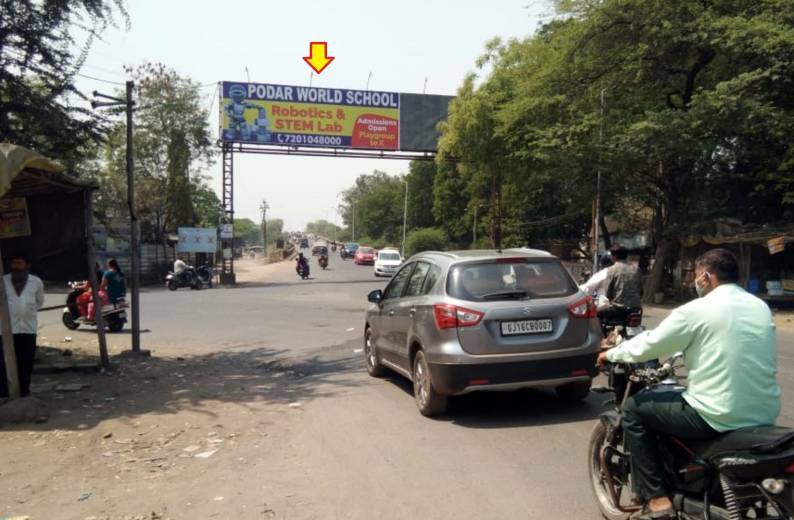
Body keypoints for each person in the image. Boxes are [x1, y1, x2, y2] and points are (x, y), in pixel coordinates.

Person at [597, 248, 780, 519]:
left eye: (695, 275)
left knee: (636, 409)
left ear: (706, 276)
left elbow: (651, 343)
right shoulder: (759, 306)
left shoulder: (698, 309)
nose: (693, 281)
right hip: (765, 411)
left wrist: (610, 353)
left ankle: (656, 497)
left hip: (717, 414)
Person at [0, 253, 45, 398]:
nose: (16, 266)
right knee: (4, 362)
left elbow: (39, 302)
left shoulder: (36, 282)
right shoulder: (3, 280)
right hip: (6, 329)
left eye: (20, 263)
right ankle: (5, 392)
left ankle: (24, 391)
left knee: (25, 361)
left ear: (27, 265)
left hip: (27, 328)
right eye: (14, 263)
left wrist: (25, 311)